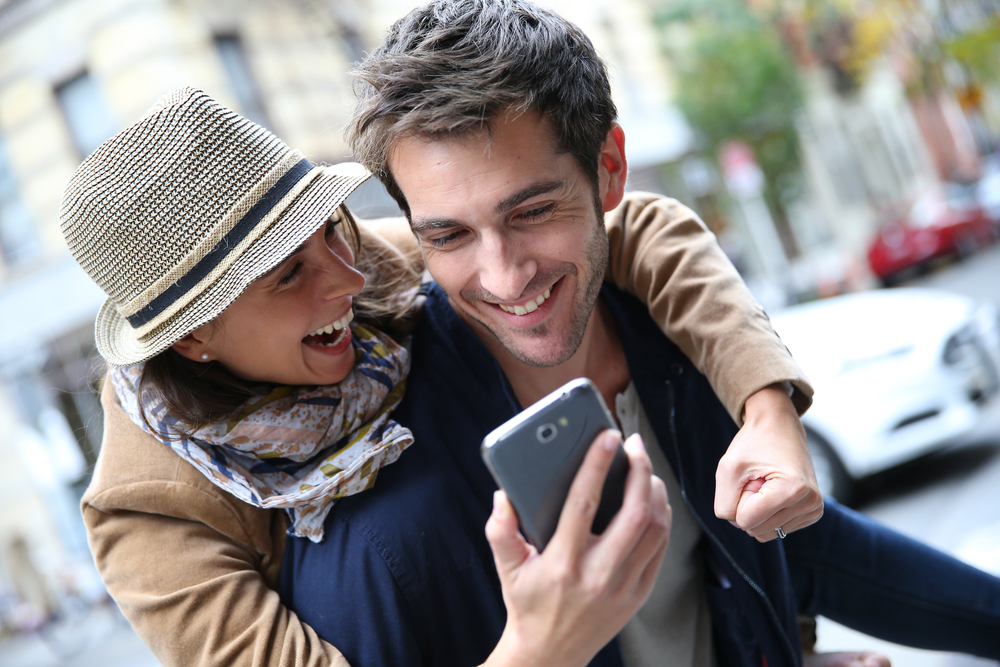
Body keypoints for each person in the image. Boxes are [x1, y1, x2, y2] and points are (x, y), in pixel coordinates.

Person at [279, 1, 1000, 666]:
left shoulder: (678, 341)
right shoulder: (375, 509)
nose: (504, 276)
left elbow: (804, 556)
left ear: (610, 169)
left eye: (531, 211)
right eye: (449, 235)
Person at [73, 87, 818, 666]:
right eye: (289, 274)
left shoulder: (361, 265)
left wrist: (767, 410)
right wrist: (542, 648)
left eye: (330, 225)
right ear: (196, 336)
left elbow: (636, 230)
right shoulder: (150, 513)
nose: (345, 276)